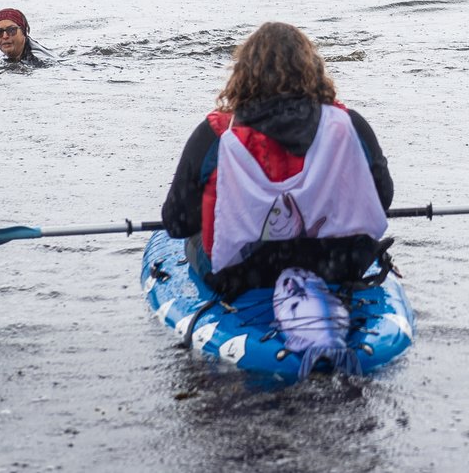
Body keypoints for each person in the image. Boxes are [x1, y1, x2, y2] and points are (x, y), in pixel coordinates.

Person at [161, 22, 394, 372]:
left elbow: (178, 223)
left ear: (242, 75)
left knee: (191, 237)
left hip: (246, 273)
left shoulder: (215, 132)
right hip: (339, 262)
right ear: (312, 70)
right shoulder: (349, 124)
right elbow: (383, 198)